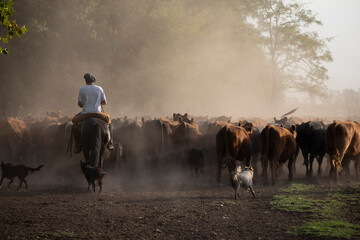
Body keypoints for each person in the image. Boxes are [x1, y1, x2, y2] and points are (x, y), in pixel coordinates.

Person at [72, 73, 114, 153]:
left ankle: (78, 145)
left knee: (74, 122)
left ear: (85, 80)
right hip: (99, 114)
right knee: (109, 123)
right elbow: (104, 102)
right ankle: (110, 143)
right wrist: (98, 104)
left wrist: (86, 104)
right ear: (93, 81)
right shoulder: (99, 88)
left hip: (85, 114)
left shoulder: (82, 89)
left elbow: (79, 103)